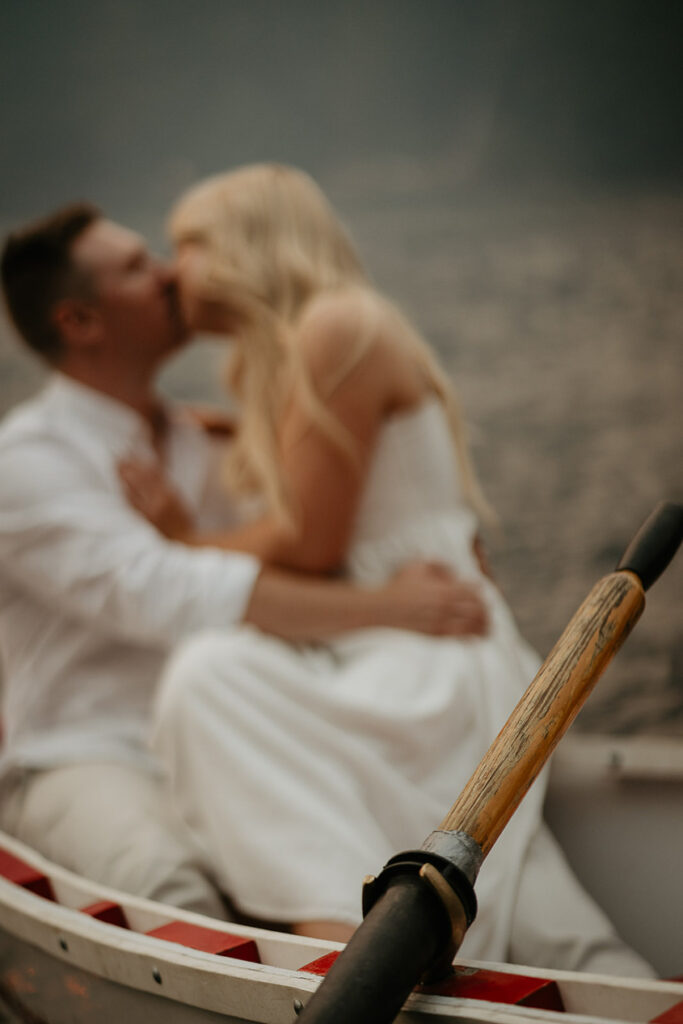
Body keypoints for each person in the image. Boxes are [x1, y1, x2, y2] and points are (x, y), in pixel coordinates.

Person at [119, 164, 656, 974]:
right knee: (530, 902)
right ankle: (360, 920)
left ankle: (342, 935)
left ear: (245, 248)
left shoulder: (336, 325)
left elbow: (309, 544)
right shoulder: (310, 346)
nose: (168, 270)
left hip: (425, 645)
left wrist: (175, 536)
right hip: (391, 639)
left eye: (184, 245)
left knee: (209, 678)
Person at [0, 202, 491, 918]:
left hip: (243, 737)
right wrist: (388, 608)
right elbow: (168, 592)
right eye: (139, 267)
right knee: (171, 887)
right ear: (81, 322)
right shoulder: (28, 462)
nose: (171, 275)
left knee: (383, 852)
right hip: (91, 754)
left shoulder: (206, 444)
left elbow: (312, 536)